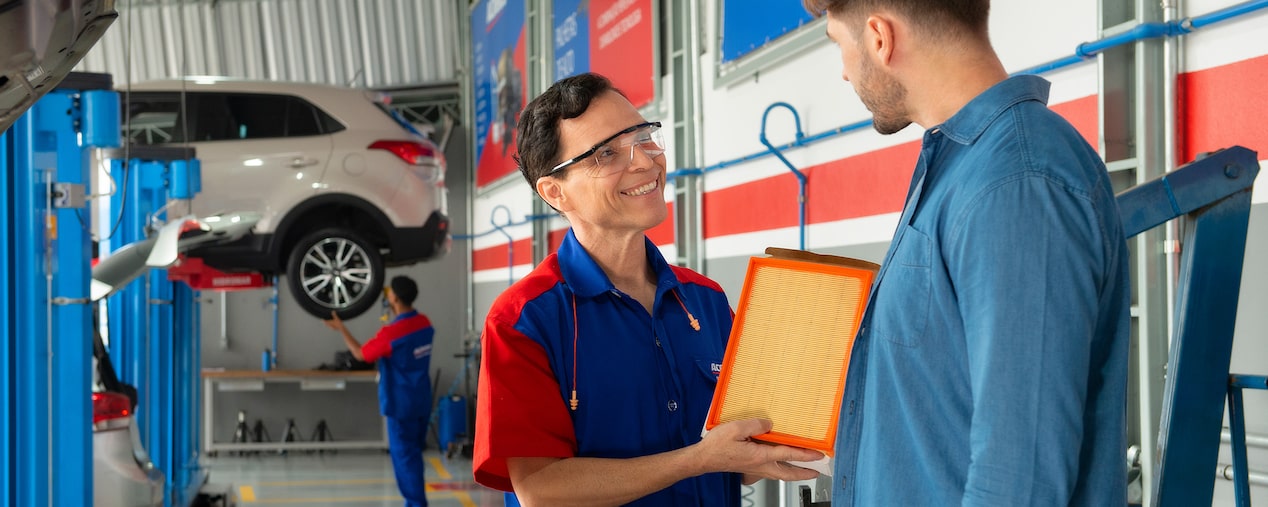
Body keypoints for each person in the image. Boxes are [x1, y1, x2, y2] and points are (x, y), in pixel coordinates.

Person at [801, 0, 1132, 505]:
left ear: (879, 38)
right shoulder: (961, 167)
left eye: (839, 46)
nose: (844, 73)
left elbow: (1020, 482)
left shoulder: (1017, 182)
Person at [473, 72, 822, 506]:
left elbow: (740, 459)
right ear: (555, 192)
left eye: (643, 137)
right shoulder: (524, 320)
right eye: (606, 153)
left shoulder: (706, 301)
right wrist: (697, 460)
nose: (644, 162)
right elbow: (541, 490)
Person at [324, 276, 435, 507]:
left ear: (395, 298)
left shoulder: (392, 333)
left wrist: (341, 328)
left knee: (405, 459)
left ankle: (416, 504)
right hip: (421, 401)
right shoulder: (425, 323)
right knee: (414, 455)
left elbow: (361, 354)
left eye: (389, 292)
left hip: (400, 406)